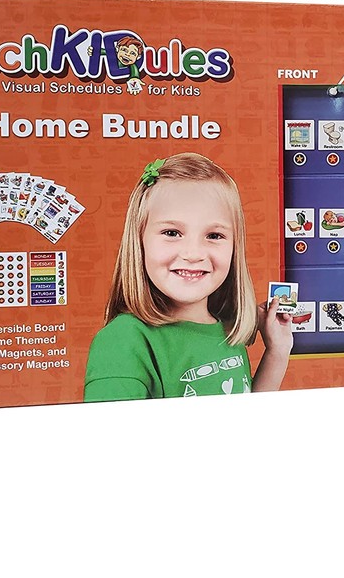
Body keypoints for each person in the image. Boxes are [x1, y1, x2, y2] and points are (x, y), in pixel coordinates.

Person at [84, 153, 292, 401]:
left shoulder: (226, 331)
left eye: (214, 236)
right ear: (139, 240)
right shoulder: (123, 342)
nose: (193, 254)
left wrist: (277, 352)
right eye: (172, 233)